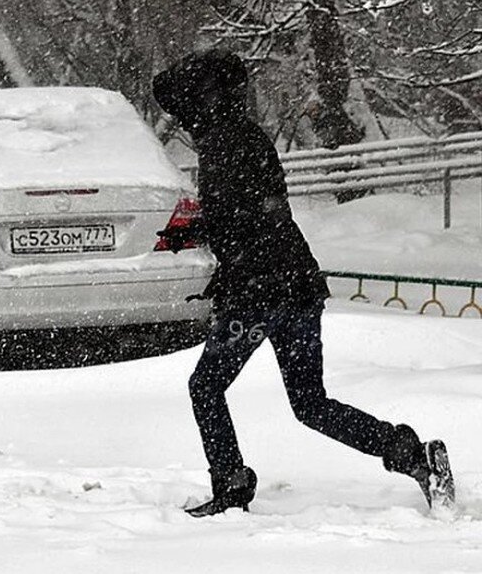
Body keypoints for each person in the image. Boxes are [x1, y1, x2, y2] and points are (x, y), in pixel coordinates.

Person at [152, 49, 454, 517]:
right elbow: (258, 212)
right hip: (296, 284)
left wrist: (195, 231)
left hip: (260, 292)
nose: (184, 118)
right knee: (311, 404)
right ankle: (411, 455)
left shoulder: (223, 143)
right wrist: (200, 229)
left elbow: (241, 220)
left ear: (205, 100)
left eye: (188, 105)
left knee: (205, 387)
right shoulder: (246, 135)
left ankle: (231, 484)